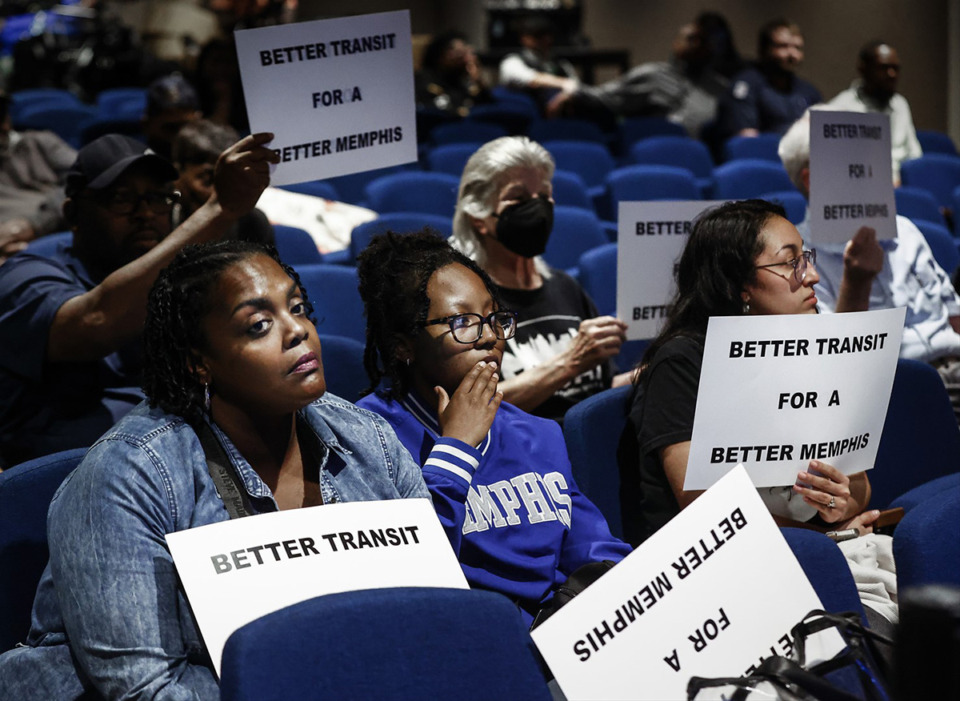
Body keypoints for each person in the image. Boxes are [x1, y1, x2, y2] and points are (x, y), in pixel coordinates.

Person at [0, 239, 484, 698]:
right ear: (198, 362)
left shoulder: (368, 439)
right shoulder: (127, 477)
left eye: (297, 308)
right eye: (258, 325)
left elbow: (429, 604)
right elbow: (145, 686)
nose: (297, 330)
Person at [621, 199, 897, 627]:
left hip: (821, 549)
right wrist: (826, 536)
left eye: (805, 258)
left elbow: (859, 486)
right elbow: (703, 505)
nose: (813, 276)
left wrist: (841, 504)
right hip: (729, 574)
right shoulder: (683, 362)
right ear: (738, 286)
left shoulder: (811, 347)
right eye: (790, 264)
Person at [356, 231, 631, 624]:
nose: (489, 336)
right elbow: (409, 569)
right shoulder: (367, 436)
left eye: (493, 317)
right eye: (462, 322)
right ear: (404, 346)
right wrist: (455, 448)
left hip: (563, 632)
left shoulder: (538, 432)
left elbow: (592, 547)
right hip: (470, 640)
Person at [0, 132, 278, 467]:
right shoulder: (23, 276)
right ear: (73, 215)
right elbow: (94, 325)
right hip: (65, 478)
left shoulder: (185, 285)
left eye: (158, 198)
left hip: (180, 468)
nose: (145, 213)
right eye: (122, 199)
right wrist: (219, 209)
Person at [778, 110, 960, 419]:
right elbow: (831, 366)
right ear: (812, 180)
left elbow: (953, 312)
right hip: (888, 394)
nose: (879, 174)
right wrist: (856, 278)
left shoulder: (906, 229)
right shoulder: (800, 256)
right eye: (857, 165)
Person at [449, 136, 630, 422]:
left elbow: (600, 388)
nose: (537, 208)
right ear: (478, 217)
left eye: (544, 195)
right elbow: (465, 408)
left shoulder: (565, 286)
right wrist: (569, 363)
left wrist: (653, 370)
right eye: (518, 198)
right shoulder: (464, 302)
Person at [573, 18, 728, 139]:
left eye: (703, 40)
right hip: (661, 152)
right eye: (691, 38)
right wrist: (570, 87)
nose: (697, 44)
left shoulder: (720, 86)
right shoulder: (653, 75)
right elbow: (601, 96)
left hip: (704, 157)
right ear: (676, 44)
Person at [827, 40, 923, 185]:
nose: (891, 74)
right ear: (863, 69)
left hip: (901, 186)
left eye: (895, 68)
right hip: (861, 189)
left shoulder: (900, 104)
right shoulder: (839, 108)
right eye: (883, 68)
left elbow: (914, 155)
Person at [714, 18, 821, 142]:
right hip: (763, 157)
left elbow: (822, 138)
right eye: (783, 46)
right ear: (764, 50)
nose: (792, 54)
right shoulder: (745, 86)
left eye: (797, 48)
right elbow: (747, 140)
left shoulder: (809, 91)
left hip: (801, 157)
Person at [0, 91, 76, 264]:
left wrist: (33, 225)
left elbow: (87, 179)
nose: (4, 126)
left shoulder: (41, 142)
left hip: (68, 233)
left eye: (2, 113)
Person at [172, 119, 274, 245]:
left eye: (231, 177)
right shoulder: (160, 217)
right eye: (209, 178)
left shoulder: (252, 221)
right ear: (178, 172)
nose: (223, 188)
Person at [498, 16, 580, 117]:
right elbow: (530, 79)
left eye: (548, 34)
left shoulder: (561, 64)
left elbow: (576, 86)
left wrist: (563, 97)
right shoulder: (512, 61)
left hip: (557, 119)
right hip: (523, 120)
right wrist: (563, 83)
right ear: (524, 38)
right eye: (538, 35)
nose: (545, 39)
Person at [415, 30, 493, 118]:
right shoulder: (424, 78)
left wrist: (478, 80)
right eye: (454, 51)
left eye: (462, 52)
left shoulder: (463, 80)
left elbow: (488, 105)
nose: (459, 57)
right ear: (440, 54)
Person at [142, 73, 203, 161]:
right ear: (146, 125)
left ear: (199, 120)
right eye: (171, 128)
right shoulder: (138, 166)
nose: (180, 136)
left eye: (186, 127)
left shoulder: (207, 161)